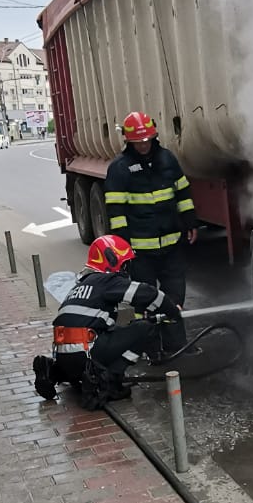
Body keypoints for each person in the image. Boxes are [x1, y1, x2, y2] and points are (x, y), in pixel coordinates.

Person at [32, 233, 181, 403]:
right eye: (124, 264)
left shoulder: (79, 286)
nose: (126, 269)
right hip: (85, 354)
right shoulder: (106, 280)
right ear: (111, 260)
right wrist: (172, 310)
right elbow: (147, 293)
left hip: (64, 356)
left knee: (117, 332)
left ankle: (51, 372)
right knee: (144, 328)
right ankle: (111, 380)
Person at [104, 111, 197, 347]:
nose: (143, 145)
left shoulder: (168, 159)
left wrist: (190, 221)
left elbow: (183, 193)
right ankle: (149, 347)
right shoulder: (119, 168)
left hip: (172, 244)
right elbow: (116, 211)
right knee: (144, 302)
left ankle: (176, 345)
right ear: (129, 141)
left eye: (146, 140)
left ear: (153, 136)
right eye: (138, 141)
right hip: (140, 251)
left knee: (175, 297)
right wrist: (123, 247)